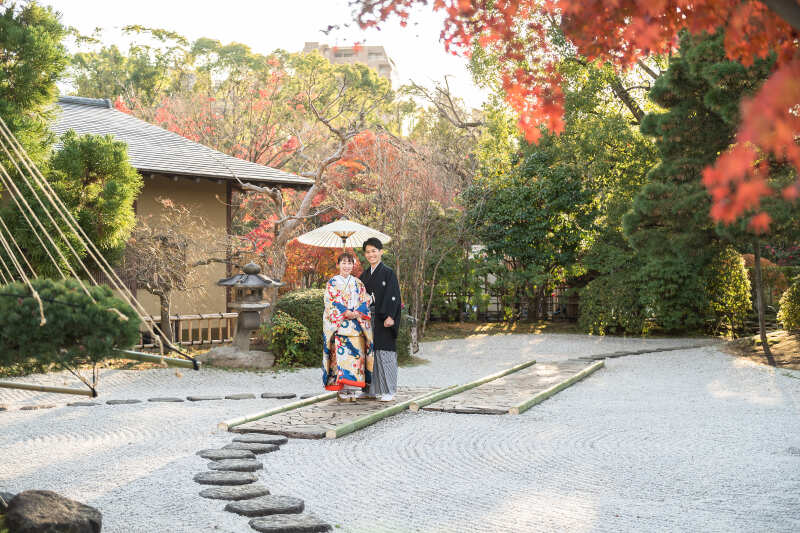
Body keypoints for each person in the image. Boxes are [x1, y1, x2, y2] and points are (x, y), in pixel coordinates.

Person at [322, 252, 374, 402]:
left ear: (353, 265)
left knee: (356, 358)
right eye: (343, 263)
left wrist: (357, 312)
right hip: (341, 326)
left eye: (349, 263)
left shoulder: (358, 283)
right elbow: (330, 302)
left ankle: (352, 389)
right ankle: (342, 390)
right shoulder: (332, 282)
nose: (346, 266)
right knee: (341, 358)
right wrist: (345, 312)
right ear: (338, 265)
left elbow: (366, 300)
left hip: (356, 325)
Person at [358, 237, 401, 402]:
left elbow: (394, 296)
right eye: (368, 252)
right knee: (369, 353)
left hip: (383, 317)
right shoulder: (364, 275)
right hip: (368, 318)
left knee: (385, 353)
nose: (371, 255)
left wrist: (391, 316)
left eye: (374, 251)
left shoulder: (388, 273)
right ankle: (370, 389)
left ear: (381, 252)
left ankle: (389, 390)